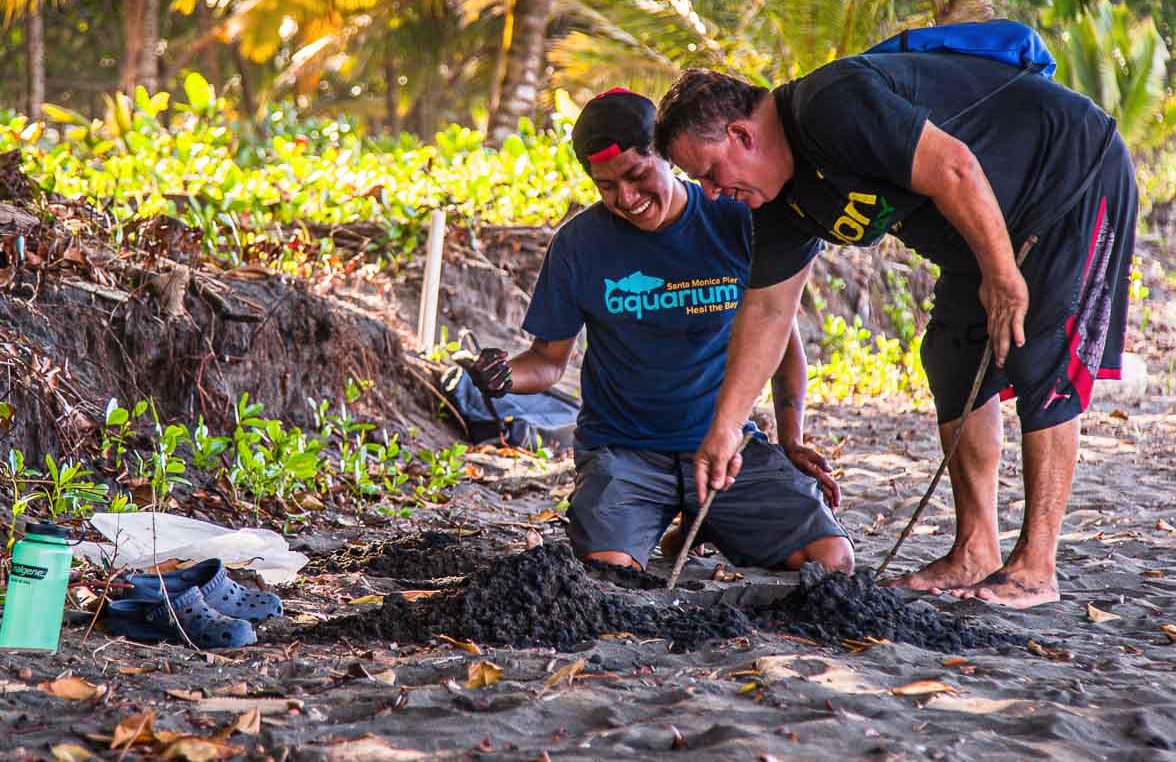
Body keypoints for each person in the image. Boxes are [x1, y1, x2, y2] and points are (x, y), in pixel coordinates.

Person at [653, 47, 1137, 609]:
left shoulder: (830, 106)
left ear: (742, 135)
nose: (710, 192)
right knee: (952, 357)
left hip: (1068, 175)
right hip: (980, 225)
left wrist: (1003, 277)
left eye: (709, 173)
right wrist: (725, 429)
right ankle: (975, 550)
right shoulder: (778, 202)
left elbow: (954, 167)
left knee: (1040, 353)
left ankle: (1036, 566)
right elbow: (766, 313)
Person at [466, 88, 853, 574]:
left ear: (667, 157)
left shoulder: (735, 216)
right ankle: (680, 518)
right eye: (607, 187)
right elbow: (546, 363)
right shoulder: (578, 245)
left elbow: (782, 338)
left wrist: (791, 440)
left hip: (725, 451)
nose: (625, 198)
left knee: (831, 562)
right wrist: (504, 376)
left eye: (636, 175)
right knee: (608, 570)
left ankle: (710, 518)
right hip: (624, 453)